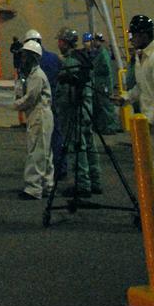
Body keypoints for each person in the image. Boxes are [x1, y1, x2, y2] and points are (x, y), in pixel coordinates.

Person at [120, 14, 154, 214]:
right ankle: (152, 212)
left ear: (144, 34)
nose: (132, 39)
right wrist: (126, 98)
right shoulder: (142, 56)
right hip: (148, 122)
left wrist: (150, 121)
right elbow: (142, 88)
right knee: (151, 165)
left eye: (134, 35)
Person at [54, 26, 101, 197]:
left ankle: (83, 185)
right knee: (89, 145)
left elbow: (67, 94)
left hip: (75, 110)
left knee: (77, 146)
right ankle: (95, 180)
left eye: (60, 41)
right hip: (87, 109)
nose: (59, 44)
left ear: (65, 43)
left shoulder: (70, 62)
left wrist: (61, 110)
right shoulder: (83, 57)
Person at [13, 39, 54, 200]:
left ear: (32, 57)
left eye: (25, 56)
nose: (23, 60)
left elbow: (30, 98)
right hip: (39, 115)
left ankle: (33, 188)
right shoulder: (32, 74)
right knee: (44, 152)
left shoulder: (37, 76)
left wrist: (16, 104)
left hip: (39, 115)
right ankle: (47, 185)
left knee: (36, 152)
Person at [85, 31, 120, 135]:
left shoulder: (102, 53)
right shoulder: (99, 52)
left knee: (106, 106)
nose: (93, 42)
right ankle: (105, 126)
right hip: (100, 84)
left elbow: (107, 70)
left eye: (94, 40)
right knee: (101, 106)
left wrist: (108, 87)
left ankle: (111, 127)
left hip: (104, 85)